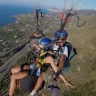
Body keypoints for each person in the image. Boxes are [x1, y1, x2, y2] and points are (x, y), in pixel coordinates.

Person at [9, 37, 75, 96]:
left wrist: (65, 81)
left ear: (44, 47)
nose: (38, 46)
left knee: (13, 77)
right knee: (13, 70)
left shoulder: (49, 58)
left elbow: (57, 70)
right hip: (33, 66)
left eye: (40, 45)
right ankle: (16, 83)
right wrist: (35, 45)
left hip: (34, 72)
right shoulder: (42, 50)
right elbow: (38, 47)